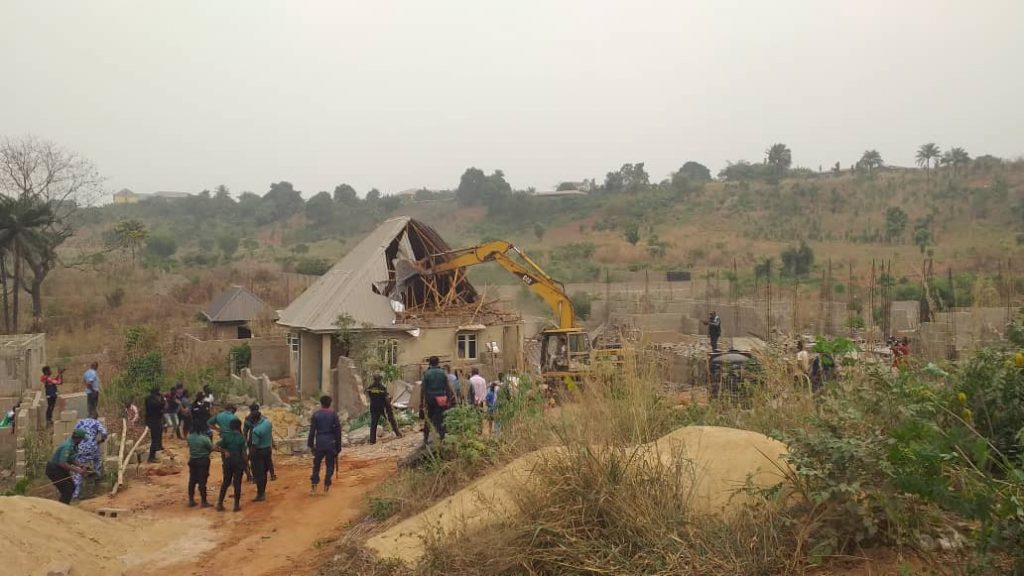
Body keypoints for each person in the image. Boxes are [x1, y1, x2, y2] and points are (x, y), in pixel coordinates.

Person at [308, 395, 342, 495]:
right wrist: (338, 447)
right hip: (331, 442)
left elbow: (312, 431)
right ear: (330, 403)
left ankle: (314, 486)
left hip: (319, 442)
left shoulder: (316, 415)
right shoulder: (333, 415)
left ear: (321, 403)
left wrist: (311, 445)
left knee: (316, 465)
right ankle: (326, 487)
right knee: (330, 465)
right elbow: (338, 432)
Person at [71, 417, 108, 500]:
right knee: (97, 459)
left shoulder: (80, 422)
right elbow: (105, 433)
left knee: (79, 468)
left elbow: (74, 434)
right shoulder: (96, 422)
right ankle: (97, 476)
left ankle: (75, 494)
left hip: (80, 447)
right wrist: (101, 440)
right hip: (93, 447)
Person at [47, 429, 87, 504]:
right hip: (54, 469)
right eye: (81, 439)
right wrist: (78, 470)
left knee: (72, 487)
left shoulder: (72, 445)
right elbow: (62, 463)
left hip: (59, 469)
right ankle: (62, 509)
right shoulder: (67, 446)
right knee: (67, 490)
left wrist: (80, 465)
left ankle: (65, 507)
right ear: (78, 438)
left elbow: (70, 459)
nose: (82, 441)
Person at [420, 356, 455, 444]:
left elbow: (423, 389)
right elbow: (448, 387)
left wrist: (421, 402)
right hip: (441, 399)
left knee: (429, 418)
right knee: (441, 418)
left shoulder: (426, 374)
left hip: (430, 399)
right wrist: (450, 399)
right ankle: (442, 438)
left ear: (430, 363)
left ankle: (425, 438)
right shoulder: (442, 373)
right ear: (438, 363)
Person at [215, 419, 247, 512]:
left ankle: (220, 503)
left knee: (226, 482)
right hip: (238, 461)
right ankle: (236, 505)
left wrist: (225, 451)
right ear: (239, 426)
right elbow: (244, 454)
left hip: (228, 462)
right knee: (237, 483)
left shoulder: (226, 436)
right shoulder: (241, 438)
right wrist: (246, 465)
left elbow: (214, 446)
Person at [247, 403, 273, 502]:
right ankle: (263, 492)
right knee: (264, 473)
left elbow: (254, 447)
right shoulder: (267, 423)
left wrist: (248, 457)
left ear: (254, 420)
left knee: (258, 474)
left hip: (259, 452)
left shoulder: (256, 431)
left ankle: (260, 494)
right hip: (267, 450)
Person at [366, 375, 401, 444]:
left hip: (373, 407)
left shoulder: (370, 388)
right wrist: (389, 407)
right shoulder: (382, 387)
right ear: (380, 380)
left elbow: (369, 395)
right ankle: (397, 433)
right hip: (382, 407)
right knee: (391, 419)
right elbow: (386, 398)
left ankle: (372, 441)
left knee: (373, 423)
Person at [243, 407, 276, 481]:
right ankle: (272, 475)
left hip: (254, 443)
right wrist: (272, 442)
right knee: (268, 460)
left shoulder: (249, 422)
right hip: (267, 446)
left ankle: (255, 478)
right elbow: (269, 434)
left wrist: (248, 455)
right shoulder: (266, 421)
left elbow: (245, 433)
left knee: (254, 462)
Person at [187, 426, 214, 508]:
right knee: (202, 481)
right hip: (203, 460)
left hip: (193, 460)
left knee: (192, 480)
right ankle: (204, 501)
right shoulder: (204, 438)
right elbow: (211, 448)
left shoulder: (189, 437)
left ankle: (191, 500)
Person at [144, 386, 165, 462]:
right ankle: (151, 457)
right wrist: (162, 398)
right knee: (155, 439)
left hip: (152, 420)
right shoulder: (152, 400)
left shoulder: (149, 398)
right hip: (155, 421)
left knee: (157, 436)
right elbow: (160, 405)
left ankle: (157, 449)